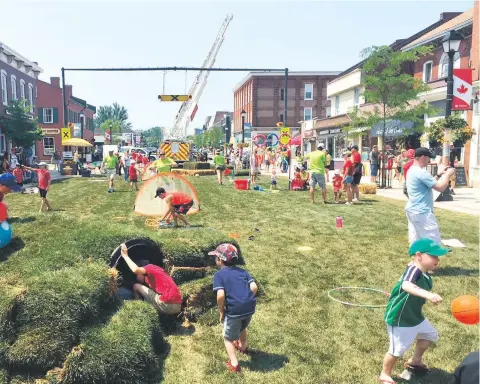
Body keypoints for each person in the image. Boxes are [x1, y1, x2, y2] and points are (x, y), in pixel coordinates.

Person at [379, 238, 450, 384]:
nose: (438, 259)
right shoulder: (414, 269)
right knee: (396, 350)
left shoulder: (424, 272)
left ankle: (415, 361)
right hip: (400, 318)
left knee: (430, 335)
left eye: (438, 256)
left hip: (415, 316)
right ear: (418, 256)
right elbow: (406, 285)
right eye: (434, 256)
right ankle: (385, 374)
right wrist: (429, 295)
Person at [210, 243, 258, 373]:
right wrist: (246, 298)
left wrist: (221, 311)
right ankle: (243, 346)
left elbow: (220, 296)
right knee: (242, 326)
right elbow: (254, 287)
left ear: (220, 260)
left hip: (234, 311)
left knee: (228, 338)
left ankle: (234, 363)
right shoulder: (243, 271)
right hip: (249, 307)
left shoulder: (219, 275)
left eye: (215, 258)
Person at [405, 147, 455, 245]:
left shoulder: (412, 170)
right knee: (433, 243)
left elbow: (428, 183)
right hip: (423, 212)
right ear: (423, 157)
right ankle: (429, 259)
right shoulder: (421, 172)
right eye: (429, 158)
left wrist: (439, 175)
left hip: (413, 210)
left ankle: (416, 259)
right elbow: (440, 188)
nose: (429, 161)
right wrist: (448, 175)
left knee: (416, 243)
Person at [119, 243, 182, 315]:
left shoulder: (149, 268)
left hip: (167, 304)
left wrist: (125, 256)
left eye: (136, 275)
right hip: (177, 305)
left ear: (142, 269)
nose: (136, 277)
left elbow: (135, 270)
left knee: (136, 286)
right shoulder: (158, 270)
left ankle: (139, 309)